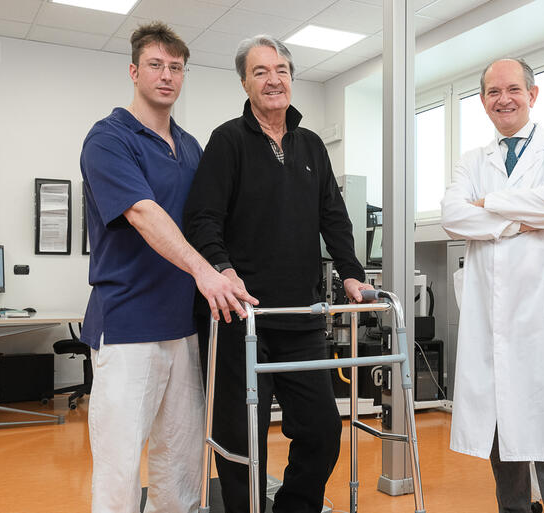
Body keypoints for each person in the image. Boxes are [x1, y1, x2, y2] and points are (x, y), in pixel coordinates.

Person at [183, 34, 373, 513]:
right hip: (239, 315)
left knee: (322, 430)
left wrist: (351, 273)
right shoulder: (228, 141)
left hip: (300, 316)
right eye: (261, 71)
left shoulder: (311, 145)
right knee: (242, 437)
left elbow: (334, 217)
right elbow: (202, 217)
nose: (273, 80)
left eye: (282, 70)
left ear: (292, 78)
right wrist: (224, 269)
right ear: (244, 82)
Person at [79, 21, 256, 513]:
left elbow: (206, 220)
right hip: (128, 325)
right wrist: (205, 271)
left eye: (175, 68)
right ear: (134, 71)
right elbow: (143, 214)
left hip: (184, 327)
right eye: (155, 65)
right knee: (119, 469)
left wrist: (225, 268)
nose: (166, 76)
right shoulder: (109, 139)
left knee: (180, 466)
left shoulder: (191, 146)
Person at [440, 57, 544, 513]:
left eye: (512, 90)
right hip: (494, 318)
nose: (503, 99)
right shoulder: (472, 160)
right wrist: (520, 222)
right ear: (483, 100)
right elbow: (453, 217)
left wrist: (489, 204)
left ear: (532, 94)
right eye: (493, 92)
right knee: (500, 427)